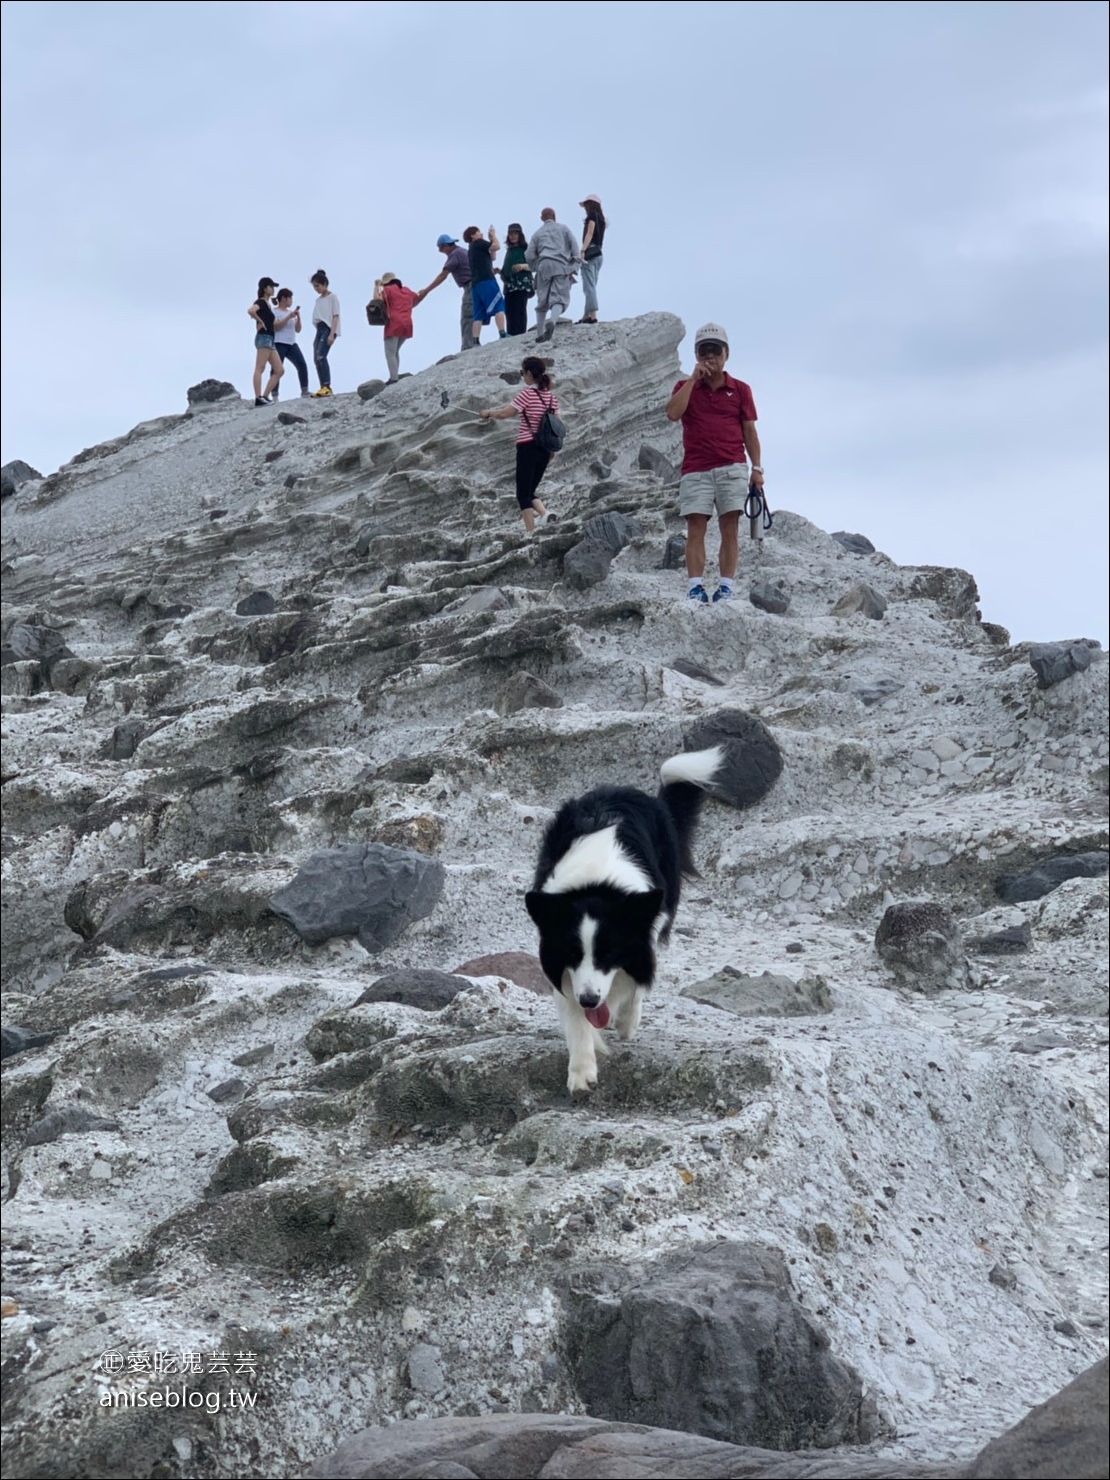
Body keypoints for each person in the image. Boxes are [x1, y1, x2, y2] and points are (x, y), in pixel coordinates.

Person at [664, 323, 764, 604]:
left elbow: (750, 431)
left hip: (732, 465)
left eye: (715, 351)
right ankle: (695, 587)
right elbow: (672, 413)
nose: (710, 357)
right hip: (695, 468)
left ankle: (726, 587)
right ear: (696, 355)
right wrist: (693, 381)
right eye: (703, 351)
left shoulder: (741, 390)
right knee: (696, 527)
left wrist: (757, 469)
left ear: (726, 354)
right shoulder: (685, 387)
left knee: (729, 526)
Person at [478, 356, 559, 533]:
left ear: (529, 373)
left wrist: (488, 413)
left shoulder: (527, 393)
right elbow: (557, 425)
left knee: (522, 493)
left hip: (527, 446)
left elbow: (505, 413)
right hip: (545, 449)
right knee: (530, 489)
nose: (522, 376)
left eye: (523, 372)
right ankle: (545, 514)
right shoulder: (551, 398)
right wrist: (553, 449)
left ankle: (530, 532)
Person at [526, 208, 581, 342]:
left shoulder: (537, 233)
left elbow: (528, 254)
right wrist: (574, 267)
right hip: (560, 265)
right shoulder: (563, 229)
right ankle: (553, 321)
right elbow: (575, 249)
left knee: (542, 300)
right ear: (555, 216)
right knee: (559, 297)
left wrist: (535, 267)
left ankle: (539, 333)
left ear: (541, 218)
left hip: (543, 265)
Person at [415, 234, 474, 352]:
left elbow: (443, 275)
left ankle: (468, 346)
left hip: (470, 286)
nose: (441, 251)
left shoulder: (454, 254)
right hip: (476, 283)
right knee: (474, 314)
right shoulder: (464, 251)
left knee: (467, 316)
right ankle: (474, 341)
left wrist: (426, 290)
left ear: (446, 246)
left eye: (441, 248)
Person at [463, 225, 508, 344]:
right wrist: (493, 236)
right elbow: (497, 247)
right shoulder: (478, 243)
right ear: (473, 235)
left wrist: (490, 241)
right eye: (478, 232)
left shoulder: (471, 249)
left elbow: (492, 257)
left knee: (478, 313)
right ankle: (502, 333)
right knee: (498, 305)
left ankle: (476, 341)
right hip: (487, 280)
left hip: (476, 284)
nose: (480, 233)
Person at [374, 272, 420, 383]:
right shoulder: (407, 290)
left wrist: (376, 286)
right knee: (395, 351)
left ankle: (394, 379)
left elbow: (377, 300)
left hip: (394, 323)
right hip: (407, 324)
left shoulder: (388, 290)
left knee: (390, 352)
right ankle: (395, 376)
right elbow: (417, 298)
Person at [247, 276, 283, 406]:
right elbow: (251, 311)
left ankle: (265, 396)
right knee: (260, 368)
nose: (273, 289)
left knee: (279, 370)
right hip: (264, 337)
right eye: (271, 286)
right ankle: (258, 398)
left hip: (270, 339)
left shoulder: (267, 304)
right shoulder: (261, 302)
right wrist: (260, 320)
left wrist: (290, 316)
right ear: (265, 288)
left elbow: (276, 323)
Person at [273, 289, 310, 398]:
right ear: (284, 298)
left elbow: (298, 330)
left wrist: (298, 317)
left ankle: (304, 390)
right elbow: (277, 327)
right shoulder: (274, 312)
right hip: (279, 343)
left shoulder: (290, 313)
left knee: (302, 364)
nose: (292, 301)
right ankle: (274, 395)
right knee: (276, 368)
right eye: (290, 298)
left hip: (292, 343)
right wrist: (289, 317)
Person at [310, 269, 341, 396]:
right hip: (319, 328)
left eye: (317, 286)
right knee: (316, 358)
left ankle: (327, 386)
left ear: (324, 284)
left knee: (321, 356)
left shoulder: (332, 297)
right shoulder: (318, 301)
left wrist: (332, 333)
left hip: (328, 328)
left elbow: (335, 316)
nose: (316, 289)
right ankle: (322, 386)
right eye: (314, 286)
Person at [499, 222, 533, 337]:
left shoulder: (526, 249)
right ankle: (511, 334)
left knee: (520, 309)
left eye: (515, 233)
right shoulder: (509, 251)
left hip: (522, 284)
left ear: (520, 235)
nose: (513, 236)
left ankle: (521, 334)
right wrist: (500, 271)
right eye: (511, 234)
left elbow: (534, 265)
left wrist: (522, 266)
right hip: (509, 286)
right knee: (509, 311)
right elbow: (506, 269)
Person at [577, 194, 606, 324]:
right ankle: (587, 315)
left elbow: (590, 233)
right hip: (599, 253)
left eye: (586, 205)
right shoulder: (602, 219)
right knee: (592, 284)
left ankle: (592, 315)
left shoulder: (592, 216)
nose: (585, 208)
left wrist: (583, 249)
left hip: (590, 253)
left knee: (589, 286)